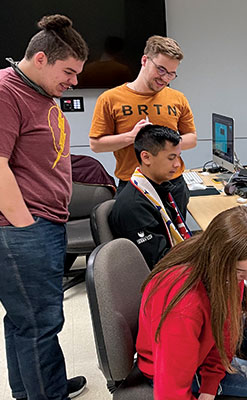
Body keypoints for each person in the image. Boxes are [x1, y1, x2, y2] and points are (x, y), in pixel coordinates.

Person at [0, 15, 88, 400]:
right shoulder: (6, 92)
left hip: (41, 223)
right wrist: (25, 226)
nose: (73, 81)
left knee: (26, 321)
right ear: (40, 59)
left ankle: (37, 388)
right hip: (24, 229)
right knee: (40, 323)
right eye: (68, 71)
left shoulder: (37, 92)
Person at [136, 206, 247, 399]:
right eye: (240, 271)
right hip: (165, 373)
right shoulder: (184, 306)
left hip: (199, 354)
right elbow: (170, 392)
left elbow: (224, 332)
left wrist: (210, 385)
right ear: (219, 261)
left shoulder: (224, 272)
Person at [89, 35, 196, 217]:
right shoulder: (110, 99)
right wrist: (131, 137)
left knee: (177, 243)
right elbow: (96, 144)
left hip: (173, 185)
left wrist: (163, 144)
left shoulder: (178, 98)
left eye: (171, 74)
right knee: (134, 245)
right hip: (133, 186)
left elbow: (191, 139)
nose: (165, 78)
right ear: (145, 60)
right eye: (161, 70)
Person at [109, 124, 191, 269]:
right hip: (159, 278)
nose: (177, 164)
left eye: (178, 157)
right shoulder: (135, 207)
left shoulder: (158, 188)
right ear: (146, 157)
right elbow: (159, 262)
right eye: (171, 158)